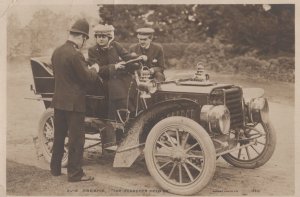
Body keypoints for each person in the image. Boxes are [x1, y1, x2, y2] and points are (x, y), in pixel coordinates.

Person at [50, 18, 99, 182]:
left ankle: (55, 169)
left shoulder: (56, 51)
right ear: (82, 37)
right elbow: (87, 78)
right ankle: (75, 174)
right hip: (74, 104)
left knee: (59, 136)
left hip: (58, 101)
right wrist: (94, 69)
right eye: (85, 40)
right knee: (76, 139)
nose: (84, 43)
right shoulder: (75, 54)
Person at [88, 24, 138, 120]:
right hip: (104, 79)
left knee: (134, 84)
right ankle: (125, 114)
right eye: (98, 37)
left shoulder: (115, 46)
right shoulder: (93, 50)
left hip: (119, 77)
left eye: (103, 37)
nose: (100, 39)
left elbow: (127, 56)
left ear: (109, 37)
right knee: (118, 90)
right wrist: (115, 66)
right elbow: (98, 69)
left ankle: (134, 112)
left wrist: (137, 59)